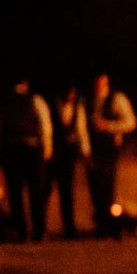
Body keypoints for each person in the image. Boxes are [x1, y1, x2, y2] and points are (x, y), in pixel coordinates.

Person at [0, 79, 52, 241]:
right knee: (36, 190)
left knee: (15, 192)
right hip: (32, 148)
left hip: (11, 149)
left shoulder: (0, 102)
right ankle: (39, 230)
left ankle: (20, 230)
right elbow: (45, 125)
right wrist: (47, 147)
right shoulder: (35, 99)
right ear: (25, 84)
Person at [86, 74, 136, 234]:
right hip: (93, 148)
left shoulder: (117, 98)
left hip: (110, 148)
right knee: (95, 186)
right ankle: (100, 223)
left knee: (108, 186)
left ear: (106, 80)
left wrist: (108, 126)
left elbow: (131, 122)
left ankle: (111, 225)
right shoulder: (88, 100)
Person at [49, 86, 90, 238]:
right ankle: (40, 227)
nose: (71, 96)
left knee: (67, 192)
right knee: (45, 189)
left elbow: (81, 129)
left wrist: (85, 150)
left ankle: (69, 228)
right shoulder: (52, 105)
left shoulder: (77, 108)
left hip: (69, 154)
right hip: (52, 153)